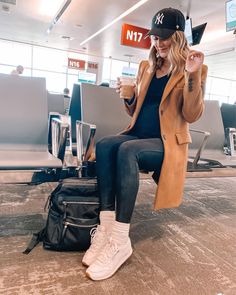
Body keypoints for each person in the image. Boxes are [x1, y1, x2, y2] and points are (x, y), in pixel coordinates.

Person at [83, 7, 208, 281]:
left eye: (164, 37)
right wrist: (128, 97)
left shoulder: (195, 68)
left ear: (177, 37)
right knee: (105, 145)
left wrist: (191, 74)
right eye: (154, 37)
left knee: (127, 150)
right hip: (138, 134)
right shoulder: (146, 66)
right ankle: (105, 229)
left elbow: (192, 114)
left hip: (167, 143)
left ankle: (120, 239)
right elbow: (136, 111)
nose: (158, 43)